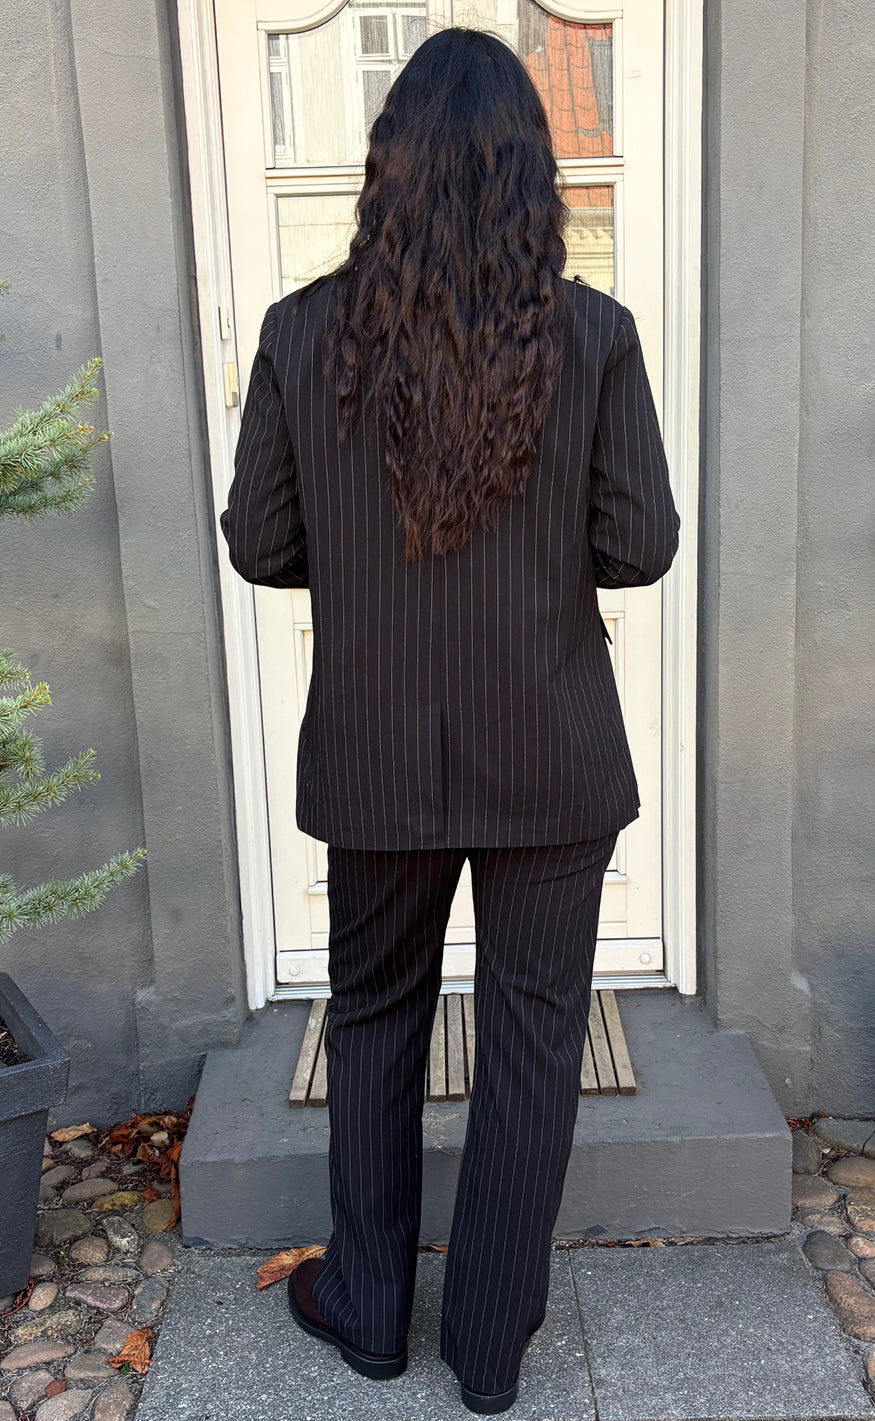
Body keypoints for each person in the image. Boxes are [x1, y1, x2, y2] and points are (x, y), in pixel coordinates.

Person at [220, 24, 680, 1416]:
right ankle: (487, 1345)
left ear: (386, 169)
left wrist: (375, 560)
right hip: (549, 752)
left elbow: (261, 541)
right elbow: (640, 541)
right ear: (533, 174)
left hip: (377, 753)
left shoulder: (302, 333)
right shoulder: (590, 336)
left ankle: (369, 1309)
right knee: (534, 1038)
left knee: (372, 1020)